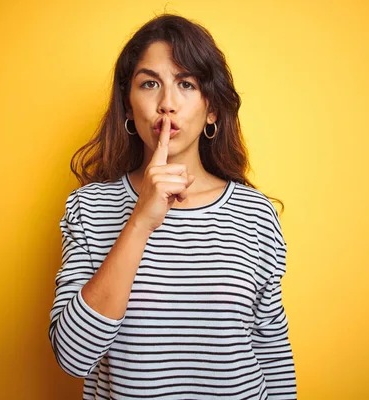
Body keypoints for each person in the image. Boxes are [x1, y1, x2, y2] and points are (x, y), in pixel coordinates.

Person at [48, 13, 297, 399]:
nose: (167, 103)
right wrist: (140, 221)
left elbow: (273, 356)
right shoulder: (90, 208)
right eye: (150, 84)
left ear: (211, 108)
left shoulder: (256, 215)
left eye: (186, 84)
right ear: (128, 107)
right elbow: (72, 356)